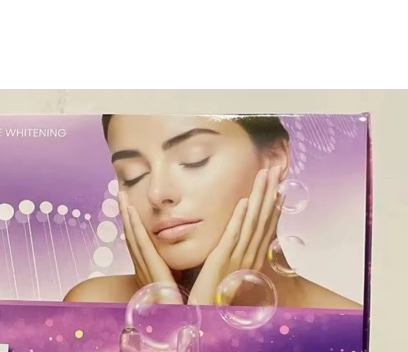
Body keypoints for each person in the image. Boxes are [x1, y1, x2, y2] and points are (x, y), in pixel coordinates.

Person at [64, 114, 361, 309]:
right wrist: (174, 318)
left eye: (195, 159)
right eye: (132, 175)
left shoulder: (349, 326)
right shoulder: (91, 308)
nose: (157, 193)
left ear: (274, 157)